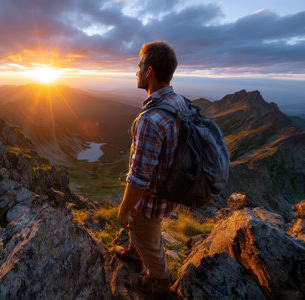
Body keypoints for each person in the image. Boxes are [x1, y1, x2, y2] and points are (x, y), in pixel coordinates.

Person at [116, 41, 188, 296]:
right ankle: (135, 256)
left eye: (140, 65)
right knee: (144, 234)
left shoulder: (150, 119)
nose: (136, 71)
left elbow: (139, 178)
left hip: (151, 202)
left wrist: (124, 210)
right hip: (171, 190)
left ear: (149, 72)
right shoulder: (179, 102)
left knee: (148, 238)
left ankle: (159, 283)